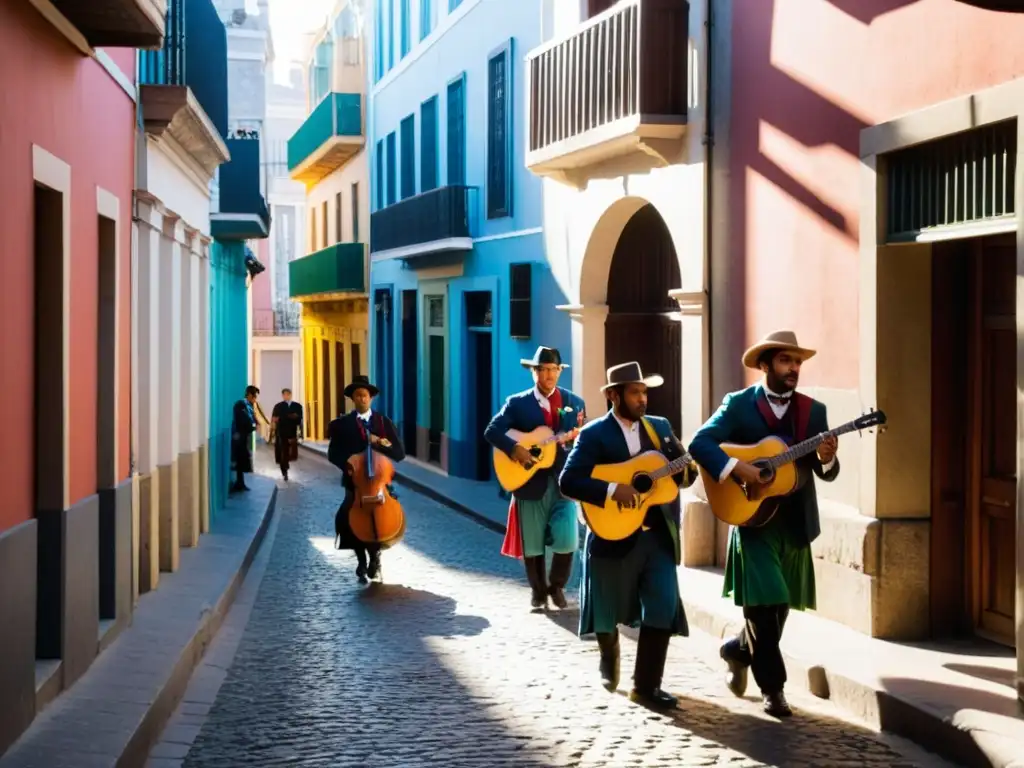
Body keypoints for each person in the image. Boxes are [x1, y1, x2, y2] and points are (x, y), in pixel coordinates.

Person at [688, 330, 839, 718]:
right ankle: (774, 689)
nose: (794, 369)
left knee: (779, 607)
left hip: (795, 522)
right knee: (763, 605)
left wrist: (826, 458)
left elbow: (826, 473)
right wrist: (737, 467)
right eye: (787, 361)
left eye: (798, 362)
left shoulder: (813, 411)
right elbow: (700, 443)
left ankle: (737, 650)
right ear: (766, 364)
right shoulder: (738, 405)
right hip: (752, 517)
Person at [559, 362, 696, 710]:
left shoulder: (660, 429)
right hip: (612, 532)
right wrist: (610, 490)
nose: (642, 399)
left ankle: (646, 686)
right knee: (605, 611)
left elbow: (686, 474)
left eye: (644, 392)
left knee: (663, 607)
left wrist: (686, 470)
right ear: (613, 395)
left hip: (657, 537)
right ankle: (609, 654)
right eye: (635, 392)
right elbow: (568, 481)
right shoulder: (594, 434)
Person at [484, 346, 586, 610]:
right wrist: (514, 449)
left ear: (559, 372)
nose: (549, 375)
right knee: (533, 541)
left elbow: (583, 438)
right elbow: (492, 431)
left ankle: (557, 585)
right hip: (529, 481)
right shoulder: (517, 403)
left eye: (554, 370)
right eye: (544, 370)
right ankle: (539, 592)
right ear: (535, 373)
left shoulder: (575, 403)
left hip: (564, 480)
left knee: (568, 537)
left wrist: (579, 438)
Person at [327, 375, 405, 584]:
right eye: (357, 396)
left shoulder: (383, 422)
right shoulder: (343, 425)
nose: (361, 399)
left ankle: (375, 556)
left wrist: (379, 444)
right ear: (353, 399)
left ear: (371, 398)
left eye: (365, 395)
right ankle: (361, 559)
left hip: (380, 483)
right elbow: (333, 453)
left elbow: (399, 453)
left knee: (382, 516)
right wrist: (348, 463)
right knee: (347, 516)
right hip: (356, 482)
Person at [270, 388, 304, 481]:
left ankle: (286, 467)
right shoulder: (278, 406)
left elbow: (299, 419)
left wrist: (286, 418)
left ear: (290, 395)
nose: (286, 396)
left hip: (292, 432)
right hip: (281, 432)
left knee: (290, 452)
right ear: (282, 395)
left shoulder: (297, 406)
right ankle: (284, 470)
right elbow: (274, 419)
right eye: (284, 394)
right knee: (283, 452)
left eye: (288, 394)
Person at [231, 385, 260, 492]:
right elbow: (244, 421)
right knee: (239, 460)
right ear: (249, 395)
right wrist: (253, 426)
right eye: (254, 396)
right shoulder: (240, 405)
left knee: (242, 460)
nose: (255, 399)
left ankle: (240, 482)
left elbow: (252, 419)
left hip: (244, 437)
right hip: (238, 437)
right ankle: (239, 483)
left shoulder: (248, 406)